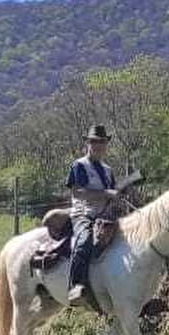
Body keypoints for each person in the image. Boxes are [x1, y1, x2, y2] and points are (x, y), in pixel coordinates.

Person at [66, 126, 117, 304]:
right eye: (94, 141)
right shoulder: (79, 165)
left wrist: (117, 196)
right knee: (84, 241)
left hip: (105, 216)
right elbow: (78, 192)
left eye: (102, 141)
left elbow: (112, 194)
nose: (99, 145)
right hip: (83, 213)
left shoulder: (108, 170)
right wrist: (105, 194)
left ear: (106, 144)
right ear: (88, 143)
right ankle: (76, 286)